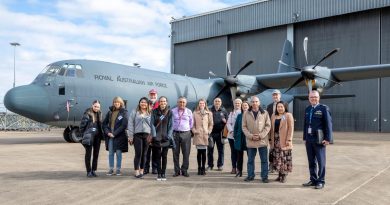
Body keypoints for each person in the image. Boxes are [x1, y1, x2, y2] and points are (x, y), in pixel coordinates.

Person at [302, 90, 333, 189]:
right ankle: (313, 179)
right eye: (311, 97)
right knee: (311, 161)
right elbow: (305, 125)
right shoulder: (307, 109)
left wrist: (328, 139)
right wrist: (304, 138)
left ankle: (321, 181)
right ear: (309, 98)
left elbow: (329, 125)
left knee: (321, 161)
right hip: (309, 139)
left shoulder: (324, 109)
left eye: (315, 97)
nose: (313, 99)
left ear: (319, 98)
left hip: (319, 139)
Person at [242, 96, 271, 183]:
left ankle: (264, 176)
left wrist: (261, 135)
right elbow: (244, 127)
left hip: (262, 141)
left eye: (256, 101)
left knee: (264, 160)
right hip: (251, 141)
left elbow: (268, 126)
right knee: (250, 160)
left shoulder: (264, 113)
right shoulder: (246, 113)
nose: (254, 103)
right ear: (250, 103)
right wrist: (250, 136)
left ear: (259, 102)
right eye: (253, 102)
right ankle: (250, 175)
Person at [150, 96, 175, 181]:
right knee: (157, 156)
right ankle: (159, 173)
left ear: (166, 102)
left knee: (164, 156)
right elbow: (152, 124)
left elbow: (171, 125)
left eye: (164, 101)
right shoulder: (154, 112)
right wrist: (154, 135)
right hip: (156, 138)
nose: (163, 103)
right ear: (159, 102)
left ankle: (163, 173)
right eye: (161, 101)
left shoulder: (170, 112)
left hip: (165, 138)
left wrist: (168, 135)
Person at [103, 96, 128, 176]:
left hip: (119, 135)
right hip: (110, 135)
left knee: (118, 153)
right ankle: (111, 169)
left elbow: (124, 125)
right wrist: (108, 133)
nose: (116, 103)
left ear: (121, 103)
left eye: (118, 102)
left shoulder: (124, 112)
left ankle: (118, 169)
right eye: (115, 102)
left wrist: (114, 133)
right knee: (110, 153)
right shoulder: (110, 112)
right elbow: (104, 124)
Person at [127, 97, 152, 179]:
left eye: (145, 102)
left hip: (147, 135)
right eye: (142, 102)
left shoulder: (150, 112)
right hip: (137, 135)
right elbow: (130, 124)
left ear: (147, 104)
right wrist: (130, 136)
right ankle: (136, 171)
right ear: (139, 103)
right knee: (138, 153)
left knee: (145, 154)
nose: (143, 104)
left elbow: (153, 125)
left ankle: (142, 170)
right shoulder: (135, 112)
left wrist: (152, 136)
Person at [270, 101, 294, 183]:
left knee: (283, 158)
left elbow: (291, 128)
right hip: (275, 140)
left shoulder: (288, 115)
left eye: (281, 107)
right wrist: (270, 139)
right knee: (277, 158)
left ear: (285, 107)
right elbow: (271, 129)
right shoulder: (273, 115)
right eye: (278, 107)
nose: (280, 108)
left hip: (284, 140)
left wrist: (289, 139)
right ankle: (279, 175)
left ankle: (284, 175)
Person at [79, 100, 103, 177]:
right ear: (92, 105)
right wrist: (82, 136)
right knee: (88, 154)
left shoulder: (100, 113)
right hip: (89, 136)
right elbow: (82, 126)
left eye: (98, 107)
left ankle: (93, 170)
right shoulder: (87, 113)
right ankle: (88, 171)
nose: (96, 108)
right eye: (95, 106)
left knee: (96, 154)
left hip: (97, 137)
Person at [172, 96, 193, 177]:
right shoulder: (172, 111)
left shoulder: (189, 112)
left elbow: (191, 123)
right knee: (175, 153)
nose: (182, 104)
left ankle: (184, 170)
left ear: (186, 103)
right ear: (177, 103)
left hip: (186, 134)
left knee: (186, 153)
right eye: (180, 102)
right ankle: (176, 171)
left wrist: (187, 129)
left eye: (183, 102)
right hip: (175, 134)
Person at [192, 98, 213, 176]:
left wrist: (209, 131)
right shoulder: (194, 113)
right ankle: (199, 168)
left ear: (205, 104)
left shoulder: (209, 113)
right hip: (198, 135)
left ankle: (203, 168)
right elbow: (192, 124)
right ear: (198, 104)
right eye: (200, 103)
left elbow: (211, 124)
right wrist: (194, 131)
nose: (202, 105)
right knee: (199, 153)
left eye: (203, 103)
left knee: (204, 153)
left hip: (205, 135)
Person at [207, 97, 228, 171]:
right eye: (216, 101)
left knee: (221, 150)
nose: (217, 102)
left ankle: (220, 165)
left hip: (220, 134)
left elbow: (228, 123)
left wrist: (225, 121)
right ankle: (210, 165)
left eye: (219, 101)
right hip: (211, 134)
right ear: (214, 102)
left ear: (221, 103)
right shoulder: (209, 110)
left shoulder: (224, 111)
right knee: (210, 150)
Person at [233, 101, 250, 177]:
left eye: (246, 105)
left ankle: (250, 172)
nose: (245, 107)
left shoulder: (251, 115)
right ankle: (239, 171)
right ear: (241, 107)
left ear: (249, 106)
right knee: (239, 156)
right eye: (243, 106)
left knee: (250, 156)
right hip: (240, 138)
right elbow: (236, 127)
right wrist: (235, 136)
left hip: (248, 138)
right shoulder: (239, 116)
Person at [266, 89, 281, 173]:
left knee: (279, 150)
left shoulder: (283, 104)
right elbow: (267, 118)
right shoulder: (269, 106)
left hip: (280, 132)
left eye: (277, 95)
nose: (275, 96)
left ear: (280, 95)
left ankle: (278, 166)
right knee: (271, 149)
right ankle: (271, 165)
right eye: (274, 95)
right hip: (271, 132)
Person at [145, 88, 159, 175]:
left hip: (156, 132)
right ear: (149, 95)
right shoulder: (145, 104)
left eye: (154, 94)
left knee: (155, 151)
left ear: (156, 95)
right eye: (151, 94)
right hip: (146, 132)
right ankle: (146, 168)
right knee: (146, 151)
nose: (153, 96)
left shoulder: (159, 104)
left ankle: (154, 168)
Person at [226, 98, 242, 174]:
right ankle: (233, 168)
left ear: (241, 104)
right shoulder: (231, 113)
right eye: (236, 103)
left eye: (238, 103)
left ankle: (239, 168)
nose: (237, 104)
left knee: (239, 152)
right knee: (233, 152)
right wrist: (231, 131)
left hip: (238, 136)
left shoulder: (242, 113)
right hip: (231, 135)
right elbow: (228, 123)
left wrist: (236, 132)